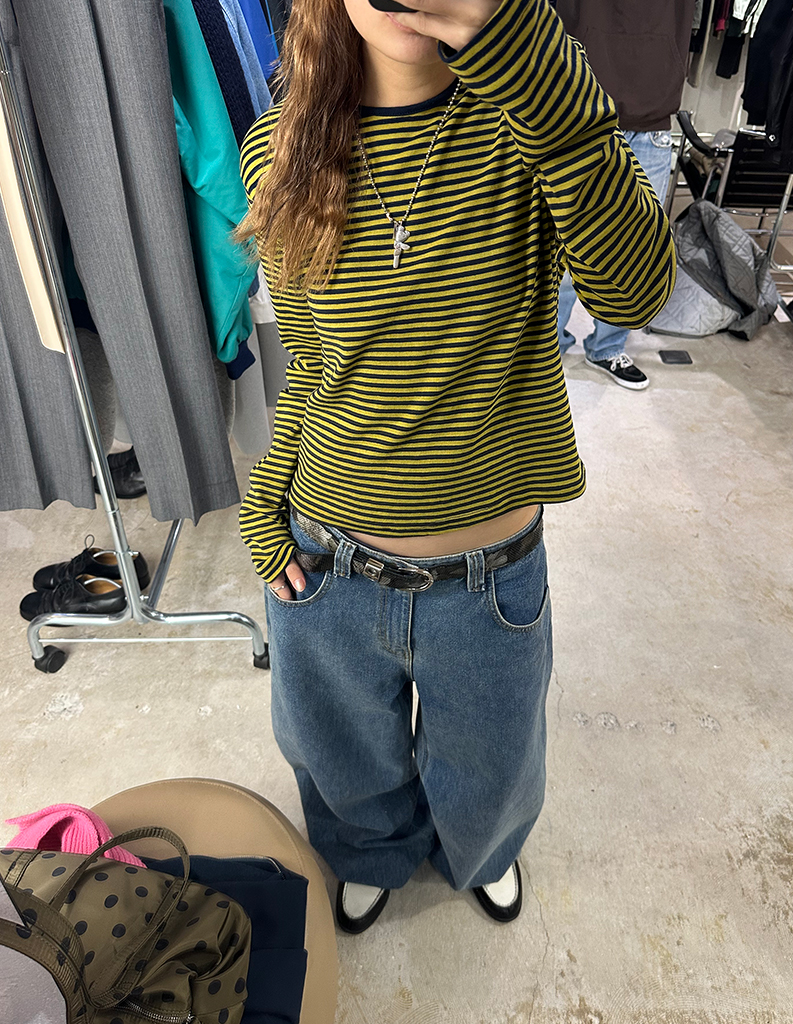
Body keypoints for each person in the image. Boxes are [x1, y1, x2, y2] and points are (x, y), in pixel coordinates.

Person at [236, 0, 674, 933]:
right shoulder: (282, 145)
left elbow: (637, 291)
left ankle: (482, 853)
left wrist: (536, 68)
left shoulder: (537, 118)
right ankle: (370, 852)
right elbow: (312, 364)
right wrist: (265, 496)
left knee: (496, 764)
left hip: (490, 577)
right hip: (330, 564)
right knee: (340, 754)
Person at [553, 0, 697, 390]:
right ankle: (548, 343)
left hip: (652, 120)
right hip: (578, 116)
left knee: (634, 252)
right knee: (564, 248)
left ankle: (607, 347)